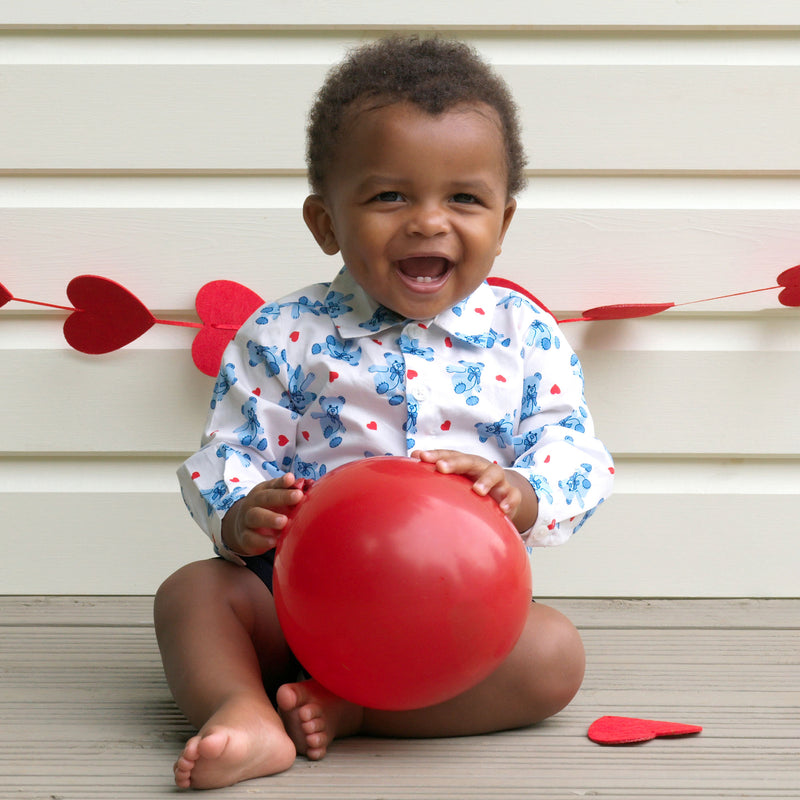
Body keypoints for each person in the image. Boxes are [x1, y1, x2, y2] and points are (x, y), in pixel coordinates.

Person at [155, 35, 614, 790]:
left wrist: (526, 493)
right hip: (297, 603)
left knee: (555, 654)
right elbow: (229, 449)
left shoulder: (523, 335)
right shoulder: (283, 333)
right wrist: (241, 513)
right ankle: (241, 709)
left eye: (464, 197)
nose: (428, 222)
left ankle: (358, 711)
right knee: (192, 595)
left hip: (459, 625)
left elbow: (571, 446)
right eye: (389, 196)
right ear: (326, 221)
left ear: (504, 221)